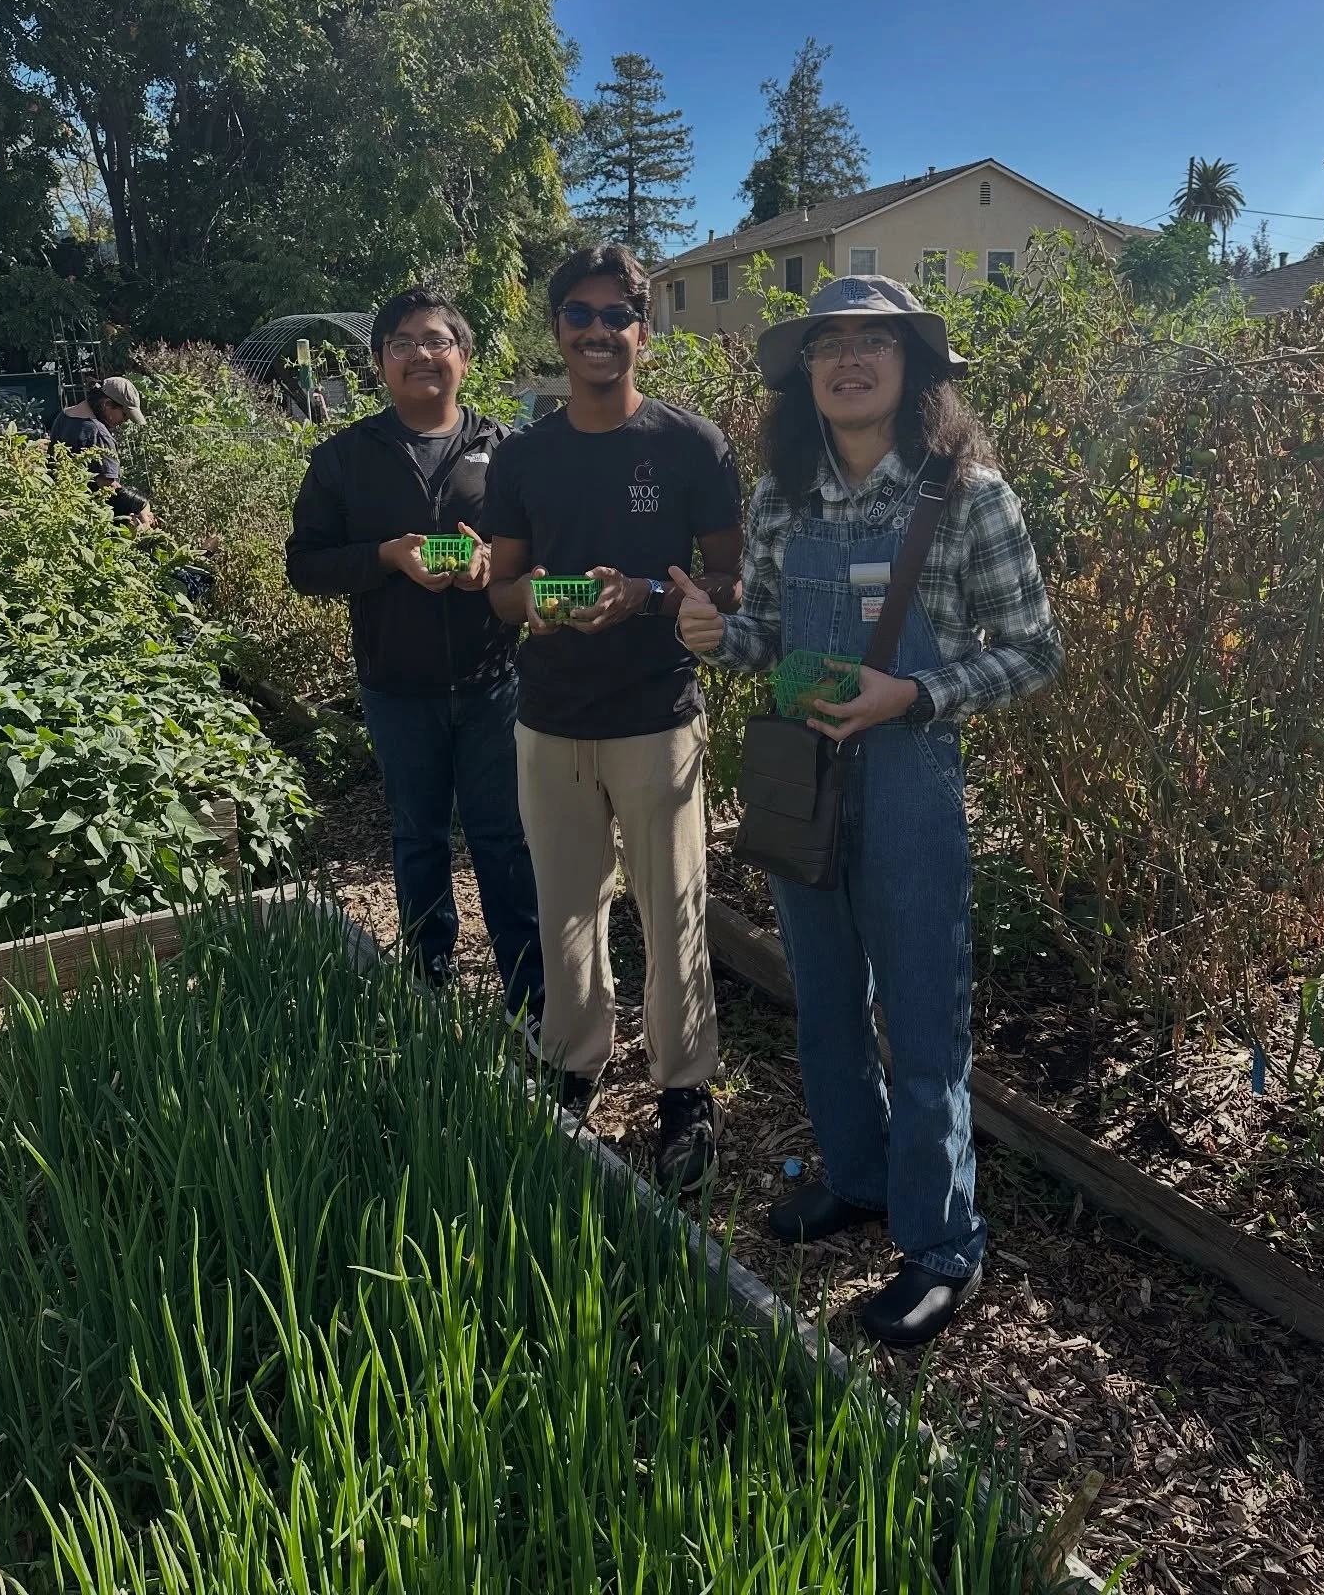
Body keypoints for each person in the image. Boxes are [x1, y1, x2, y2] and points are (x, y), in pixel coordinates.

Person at [675, 275, 1062, 1348]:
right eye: (827, 344)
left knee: (923, 1016)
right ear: (805, 375)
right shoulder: (780, 499)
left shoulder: (968, 494)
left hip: (909, 780)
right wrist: (712, 635)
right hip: (800, 776)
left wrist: (919, 694)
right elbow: (760, 644)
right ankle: (854, 1177)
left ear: (911, 368)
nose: (849, 359)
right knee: (827, 999)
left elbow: (1035, 651)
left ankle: (943, 1243)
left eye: (873, 342)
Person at [484, 243, 744, 1192]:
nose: (598, 333)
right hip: (550, 717)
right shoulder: (523, 455)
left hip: (655, 714)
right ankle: (572, 1065)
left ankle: (684, 1091)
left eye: (615, 316)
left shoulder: (690, 446)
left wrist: (645, 592)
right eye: (579, 316)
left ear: (644, 328)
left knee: (675, 913)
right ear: (557, 330)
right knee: (565, 911)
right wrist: (545, 602)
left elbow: (726, 576)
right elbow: (502, 592)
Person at [285, 287, 544, 1025]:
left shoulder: (509, 453)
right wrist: (386, 557)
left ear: (463, 356)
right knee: (418, 837)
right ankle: (429, 984)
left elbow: (546, 555)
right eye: (401, 343)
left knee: (503, 840)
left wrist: (492, 561)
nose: (420, 355)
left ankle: (528, 996)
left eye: (436, 341)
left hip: (495, 681)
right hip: (396, 685)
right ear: (378, 363)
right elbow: (304, 566)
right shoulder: (344, 458)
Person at [47, 376, 144, 489]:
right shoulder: (99, 435)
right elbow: (108, 487)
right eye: (124, 415)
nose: (124, 421)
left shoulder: (64, 416)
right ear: (107, 404)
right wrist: (139, 503)